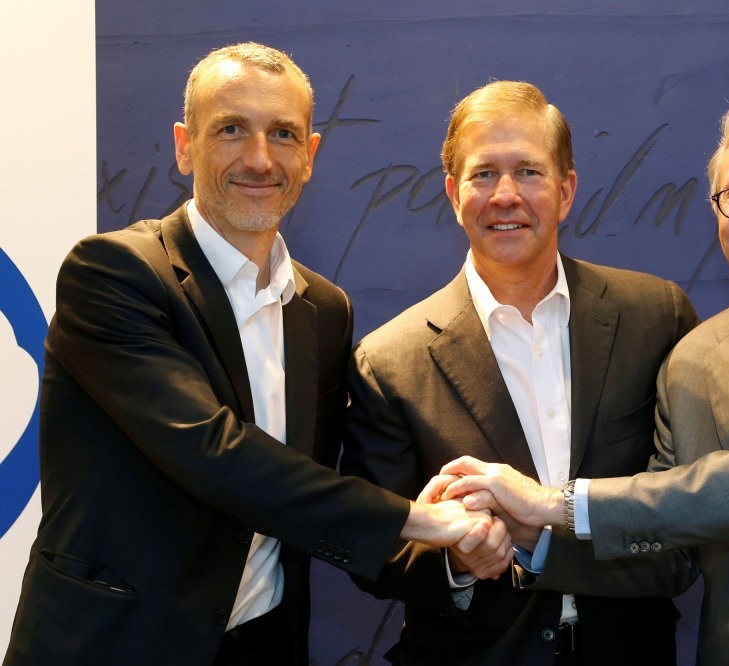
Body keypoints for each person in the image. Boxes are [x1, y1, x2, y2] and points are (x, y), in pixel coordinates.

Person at [339, 82, 729, 666]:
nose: (506, 195)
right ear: (452, 194)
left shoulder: (656, 316)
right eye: (483, 174)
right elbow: (374, 544)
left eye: (530, 173)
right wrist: (455, 561)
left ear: (565, 192)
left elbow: (692, 500)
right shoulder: (390, 360)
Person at [3, 42, 493, 666]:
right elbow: (214, 454)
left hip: (259, 644)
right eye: (231, 129)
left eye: (283, 134)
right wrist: (418, 520)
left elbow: (303, 493)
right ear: (185, 145)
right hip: (111, 644)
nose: (260, 159)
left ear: (309, 156)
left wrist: (456, 549)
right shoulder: (114, 274)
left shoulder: (324, 309)